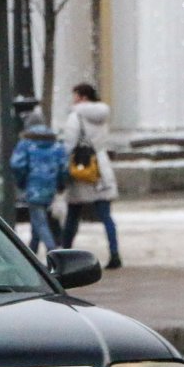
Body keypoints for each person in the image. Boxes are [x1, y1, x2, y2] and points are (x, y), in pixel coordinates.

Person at [61, 83, 122, 269]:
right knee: (106, 216)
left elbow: (69, 144)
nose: (73, 99)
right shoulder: (102, 116)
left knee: (73, 215)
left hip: (81, 168)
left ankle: (64, 255)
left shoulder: (75, 116)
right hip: (99, 168)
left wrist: (64, 165)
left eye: (75, 95)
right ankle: (114, 253)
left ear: (82, 97)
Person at [10, 108, 68, 256]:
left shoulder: (26, 143)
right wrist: (60, 184)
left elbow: (17, 164)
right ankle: (32, 251)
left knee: (40, 222)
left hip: (33, 187)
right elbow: (64, 167)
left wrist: (21, 181)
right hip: (51, 187)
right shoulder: (55, 143)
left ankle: (53, 251)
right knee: (38, 220)